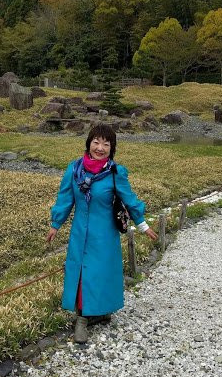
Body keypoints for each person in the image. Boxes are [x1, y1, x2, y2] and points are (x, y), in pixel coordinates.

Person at [46, 124, 157, 343]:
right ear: (88, 143)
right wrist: (55, 224)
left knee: (101, 273)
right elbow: (65, 198)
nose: (100, 147)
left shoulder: (115, 173)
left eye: (106, 144)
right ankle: (82, 319)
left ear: (112, 148)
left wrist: (143, 225)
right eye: (96, 142)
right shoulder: (74, 169)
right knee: (80, 273)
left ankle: (102, 310)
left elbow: (129, 198)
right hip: (80, 233)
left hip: (105, 235)